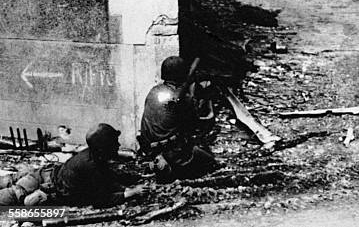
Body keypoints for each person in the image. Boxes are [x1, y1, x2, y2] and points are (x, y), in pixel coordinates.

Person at [0, 124, 145, 207]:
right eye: (114, 143)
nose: (118, 145)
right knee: (11, 196)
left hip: (45, 174)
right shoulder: (91, 165)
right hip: (47, 186)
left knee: (8, 181)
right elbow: (99, 200)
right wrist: (129, 193)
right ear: (103, 148)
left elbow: (108, 175)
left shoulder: (93, 154)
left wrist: (134, 178)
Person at [139, 56, 218, 182]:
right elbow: (195, 125)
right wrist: (199, 97)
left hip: (150, 149)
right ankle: (172, 169)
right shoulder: (183, 99)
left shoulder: (153, 92)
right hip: (173, 151)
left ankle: (160, 161)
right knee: (210, 162)